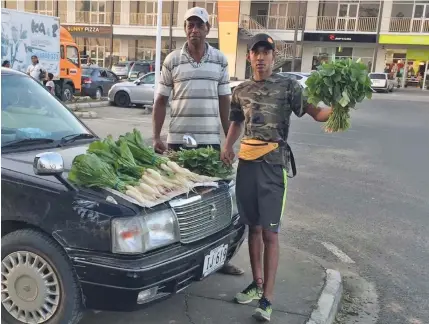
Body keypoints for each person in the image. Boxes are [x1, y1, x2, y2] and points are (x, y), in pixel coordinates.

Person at [221, 33, 333, 322]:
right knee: (253, 228)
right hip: (246, 164)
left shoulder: (289, 86)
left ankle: (268, 298)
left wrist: (341, 106)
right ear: (249, 57)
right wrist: (227, 146)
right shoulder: (241, 90)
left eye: (266, 53)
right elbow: (236, 121)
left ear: (273, 57)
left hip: (273, 166)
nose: (260, 57)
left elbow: (316, 113)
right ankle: (256, 284)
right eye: (255, 52)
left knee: (270, 233)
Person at [152, 6, 244, 276]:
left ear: (208, 29)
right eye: (189, 25)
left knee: (214, 202)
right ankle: (180, 260)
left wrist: (228, 142)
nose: (194, 30)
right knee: (178, 201)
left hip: (209, 146)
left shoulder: (219, 60)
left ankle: (220, 257)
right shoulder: (172, 60)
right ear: (185, 29)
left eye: (199, 25)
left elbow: (224, 100)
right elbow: (160, 100)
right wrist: (157, 136)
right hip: (177, 144)